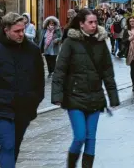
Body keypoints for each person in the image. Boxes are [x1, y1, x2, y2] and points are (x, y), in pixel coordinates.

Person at [52, 9, 120, 168]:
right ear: (81, 24)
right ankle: (71, 165)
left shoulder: (101, 42)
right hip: (75, 96)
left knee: (91, 138)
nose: (94, 25)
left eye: (95, 22)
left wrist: (113, 97)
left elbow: (107, 72)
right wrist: (57, 95)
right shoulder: (70, 42)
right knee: (80, 136)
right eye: (90, 22)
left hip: (95, 96)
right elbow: (60, 70)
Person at [0, 13, 45, 167]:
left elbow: (39, 78)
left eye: (23, 30)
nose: (21, 34)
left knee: (14, 146)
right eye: (17, 31)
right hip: (0, 107)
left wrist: (34, 100)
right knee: (7, 145)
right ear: (6, 30)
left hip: (23, 108)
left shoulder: (32, 50)